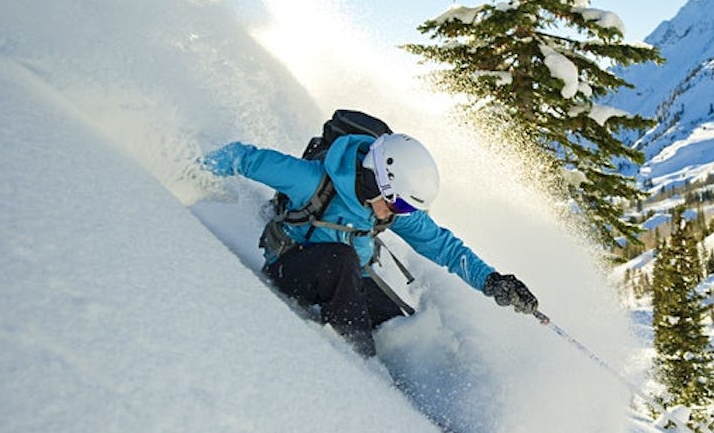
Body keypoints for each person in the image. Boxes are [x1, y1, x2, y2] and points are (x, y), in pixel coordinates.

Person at [201, 130, 538, 357]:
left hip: (346, 278)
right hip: (291, 266)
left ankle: (405, 383)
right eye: (402, 205)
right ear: (378, 178)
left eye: (408, 208)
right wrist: (189, 172)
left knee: (396, 324)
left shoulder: (387, 205)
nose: (400, 213)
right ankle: (360, 368)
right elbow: (244, 157)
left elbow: (444, 247)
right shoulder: (310, 182)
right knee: (341, 259)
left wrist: (494, 281)